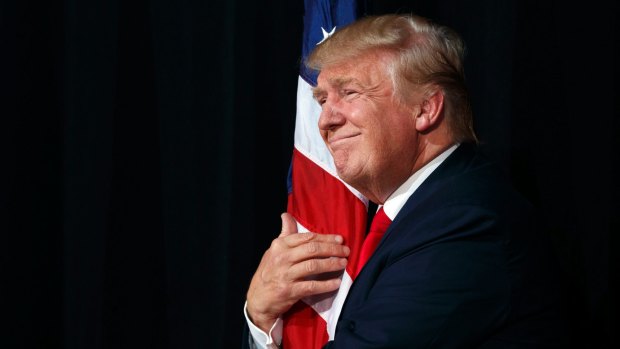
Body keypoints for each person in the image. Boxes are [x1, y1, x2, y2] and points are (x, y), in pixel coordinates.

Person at [243, 13, 566, 348]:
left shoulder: (467, 223)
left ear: (425, 109)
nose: (326, 120)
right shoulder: (410, 216)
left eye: (350, 92)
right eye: (323, 100)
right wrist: (261, 318)